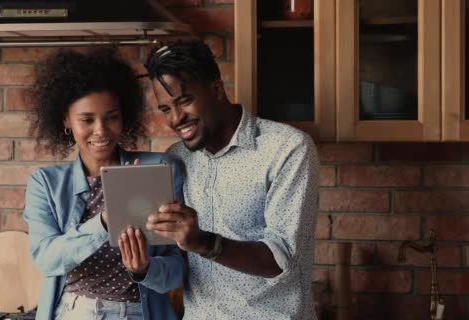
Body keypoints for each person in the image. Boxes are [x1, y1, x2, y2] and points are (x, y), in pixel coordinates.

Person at [143, 39, 319, 319]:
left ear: (216, 89)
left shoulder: (287, 149)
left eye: (184, 101)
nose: (176, 119)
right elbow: (173, 259)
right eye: (166, 109)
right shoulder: (176, 158)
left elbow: (283, 258)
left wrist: (203, 242)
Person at [23, 47, 186, 320]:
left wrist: (144, 269)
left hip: (140, 312)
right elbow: (47, 259)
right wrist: (105, 221)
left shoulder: (160, 169)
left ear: (124, 117)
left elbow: (179, 267)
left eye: (112, 117)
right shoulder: (45, 183)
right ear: (66, 119)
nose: (101, 130)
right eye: (87, 119)